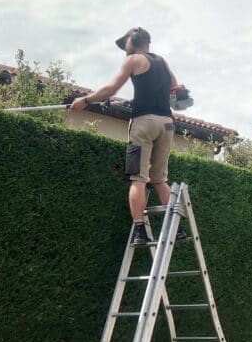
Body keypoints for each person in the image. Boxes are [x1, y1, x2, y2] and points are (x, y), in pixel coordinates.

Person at [69, 27, 188, 245]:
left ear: (133, 41)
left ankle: (140, 230)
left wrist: (85, 100)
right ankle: (177, 229)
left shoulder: (133, 60)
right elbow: (175, 89)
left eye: (125, 44)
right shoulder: (163, 62)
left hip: (144, 123)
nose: (125, 48)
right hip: (167, 124)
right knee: (160, 179)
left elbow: (111, 89)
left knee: (138, 178)